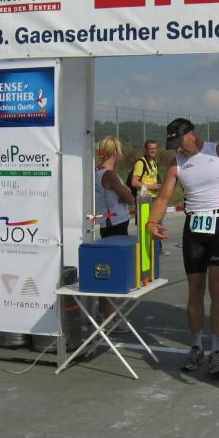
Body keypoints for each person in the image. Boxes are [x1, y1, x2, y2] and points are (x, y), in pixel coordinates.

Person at [147, 118, 219, 375]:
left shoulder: (218, 152)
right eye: (173, 145)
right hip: (194, 228)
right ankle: (196, 346)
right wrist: (151, 222)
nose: (177, 149)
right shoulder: (176, 164)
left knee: (217, 288)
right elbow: (163, 198)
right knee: (194, 290)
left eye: (179, 143)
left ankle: (217, 350)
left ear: (191, 135)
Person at [94, 135, 133, 326]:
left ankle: (104, 314)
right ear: (115, 152)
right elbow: (129, 197)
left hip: (109, 224)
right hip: (115, 225)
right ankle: (108, 317)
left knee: (106, 270)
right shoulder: (109, 174)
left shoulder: (98, 171)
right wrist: (127, 193)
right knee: (112, 271)